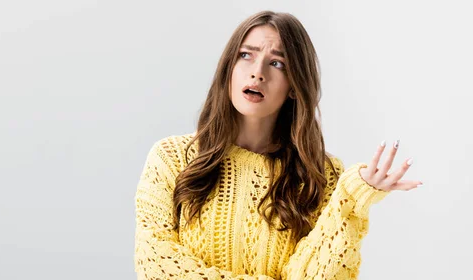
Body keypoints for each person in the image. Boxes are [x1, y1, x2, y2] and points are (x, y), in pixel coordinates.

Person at [133, 10, 422, 279]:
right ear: (228, 69)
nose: (257, 72)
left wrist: (352, 197)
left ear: (295, 86)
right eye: (246, 55)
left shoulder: (320, 174)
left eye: (276, 63)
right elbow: (154, 264)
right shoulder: (171, 158)